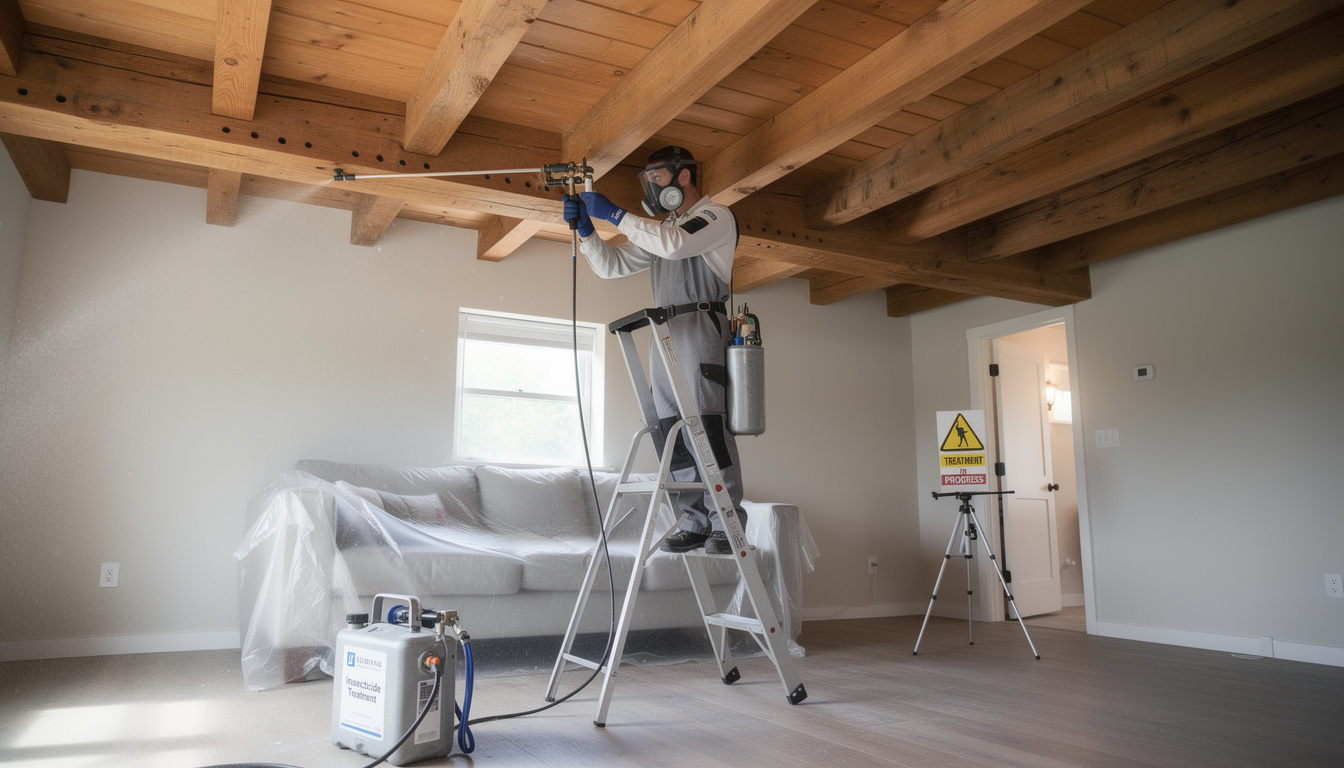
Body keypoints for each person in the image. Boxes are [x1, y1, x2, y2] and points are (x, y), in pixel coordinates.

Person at [563, 146, 743, 555]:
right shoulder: (663, 232)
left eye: (657, 178)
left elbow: (677, 244)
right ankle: (693, 521)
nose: (651, 187)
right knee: (670, 431)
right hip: (663, 331)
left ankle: (726, 523)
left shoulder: (716, 218)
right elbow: (611, 266)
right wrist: (589, 231)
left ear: (683, 177)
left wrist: (616, 215)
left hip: (699, 326)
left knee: (706, 426)